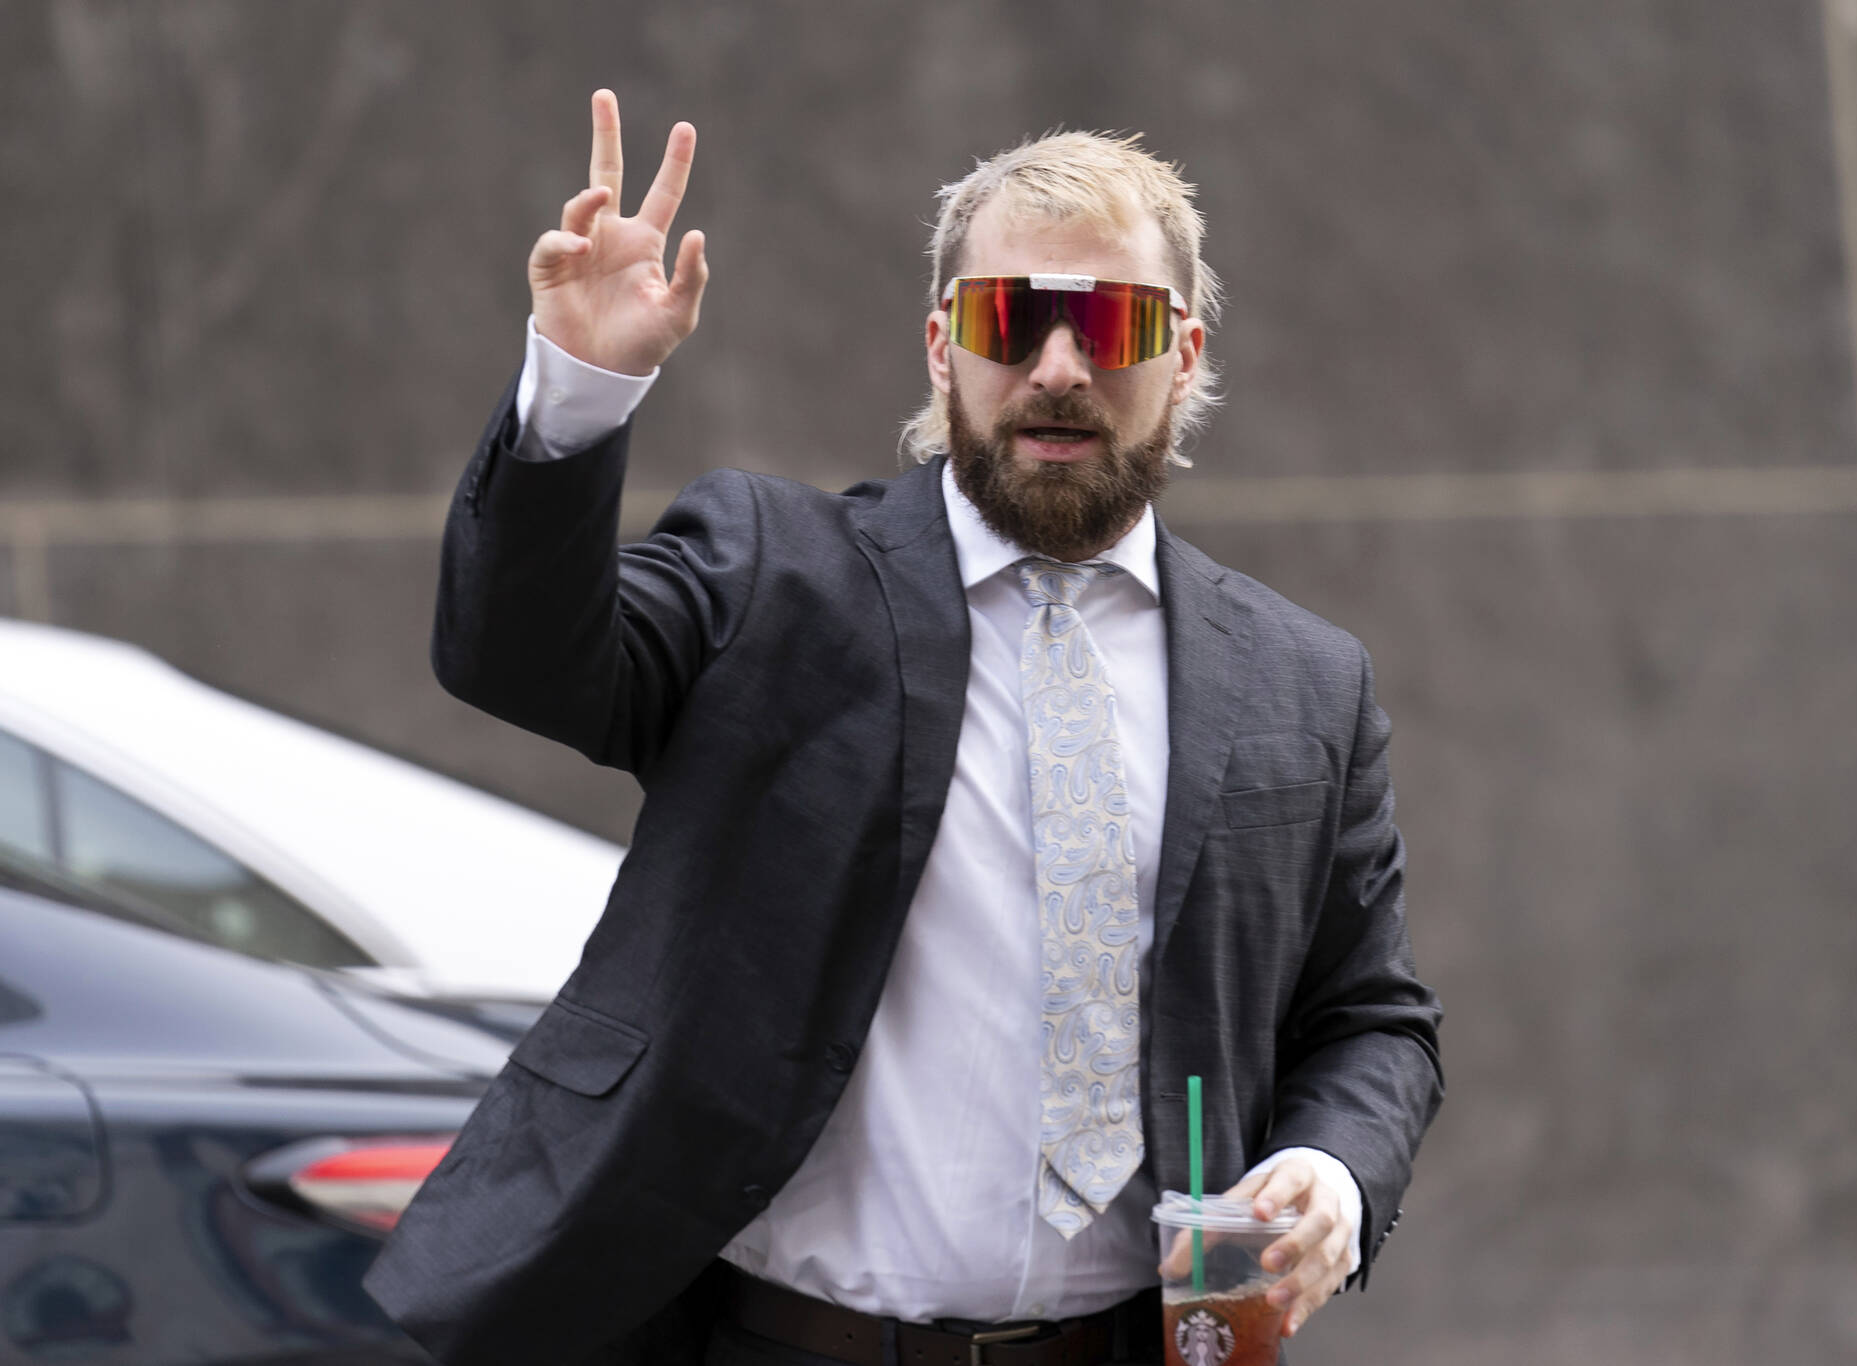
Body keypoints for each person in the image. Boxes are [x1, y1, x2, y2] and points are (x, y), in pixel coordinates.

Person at [363, 90, 1443, 1366]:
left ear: (1184, 357)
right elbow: (520, 658)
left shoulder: (1302, 683)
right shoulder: (773, 574)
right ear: (942, 349)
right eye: (1009, 321)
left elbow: (1370, 1018)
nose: (1056, 367)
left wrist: (1330, 1168)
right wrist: (580, 389)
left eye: (1107, 322)